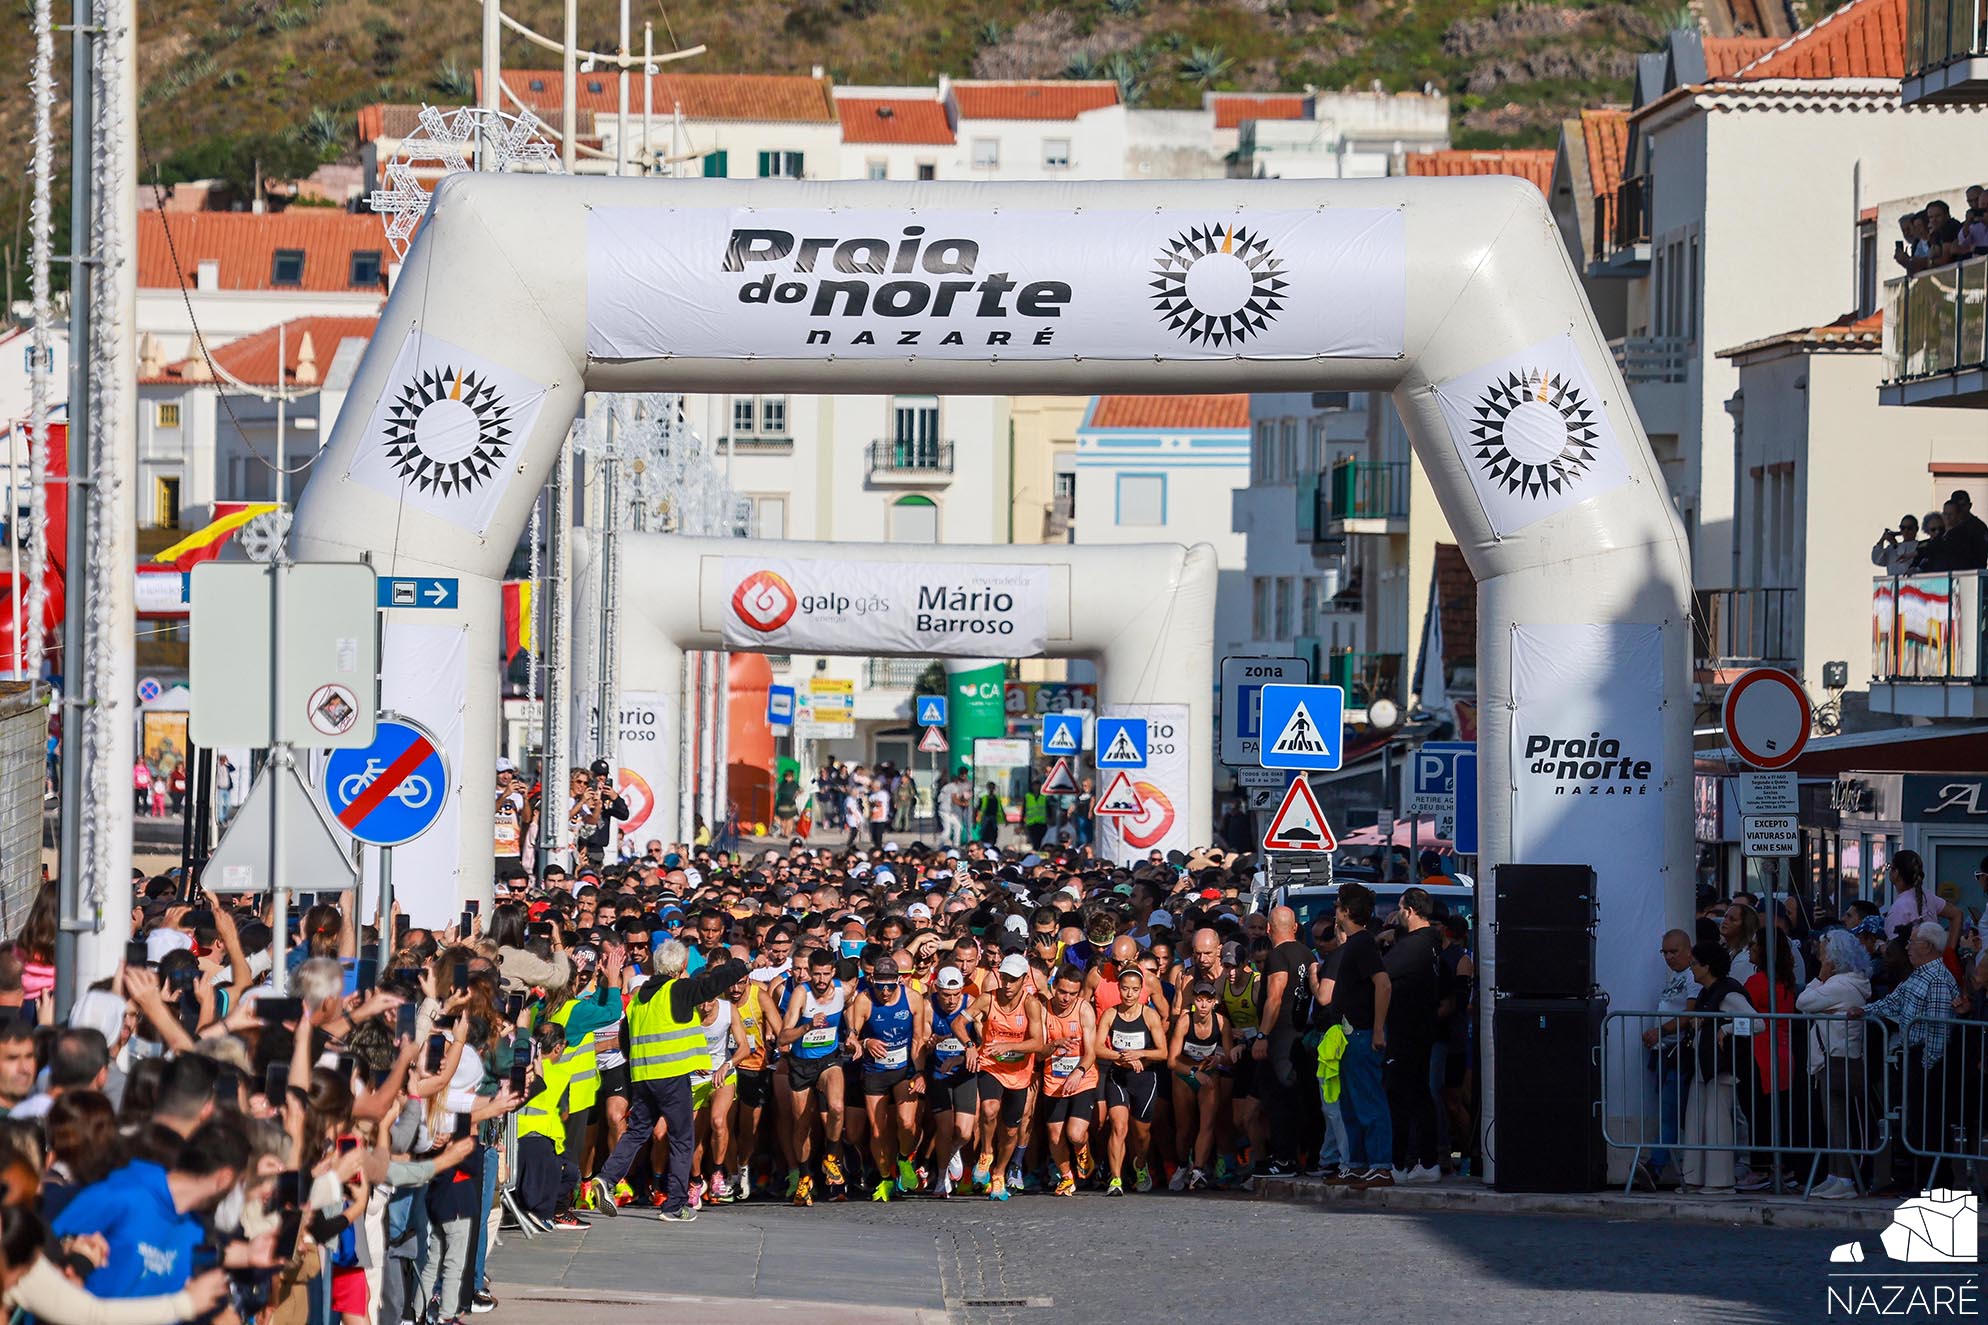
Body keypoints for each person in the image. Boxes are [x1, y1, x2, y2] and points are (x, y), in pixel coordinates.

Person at [584, 938, 747, 1223]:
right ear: (683, 966)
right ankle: (674, 1205)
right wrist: (741, 966)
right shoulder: (678, 989)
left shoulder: (638, 999)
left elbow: (625, 1039)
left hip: (643, 1076)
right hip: (672, 1078)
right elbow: (710, 985)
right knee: (682, 1139)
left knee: (636, 1132)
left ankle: (606, 1179)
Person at [1856, 921, 1963, 1192]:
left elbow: (1938, 1029)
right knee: (1917, 1124)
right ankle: (1921, 1181)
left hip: (1929, 1062)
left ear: (1927, 946)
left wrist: (1926, 1067)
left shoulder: (1937, 978)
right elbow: (1893, 1002)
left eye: (1912, 942)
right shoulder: (1918, 975)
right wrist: (1864, 1010)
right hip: (1914, 1057)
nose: (1907, 947)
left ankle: (1936, 1185)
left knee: (1931, 1124)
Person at [1796, 928, 1871, 1200]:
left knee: (1838, 1122)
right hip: (1836, 1056)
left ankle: (1845, 1179)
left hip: (1837, 1059)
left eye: (1824, 950)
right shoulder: (1849, 983)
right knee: (1833, 1122)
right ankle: (1834, 1175)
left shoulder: (1839, 985)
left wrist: (1819, 978)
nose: (1819, 954)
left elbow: (1802, 1002)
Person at [1327, 882, 1393, 1189]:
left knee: (1369, 1101)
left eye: (1339, 905)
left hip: (1363, 1034)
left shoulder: (1363, 944)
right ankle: (1357, 1164)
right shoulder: (1356, 944)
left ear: (1348, 911)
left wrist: (1378, 1029)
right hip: (1349, 1035)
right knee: (1351, 1103)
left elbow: (1383, 984)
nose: (1335, 910)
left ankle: (1379, 1165)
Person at [844, 955, 926, 1202]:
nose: (886, 992)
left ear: (899, 981)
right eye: (881, 986)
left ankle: (903, 1159)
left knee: (907, 1122)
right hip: (875, 1071)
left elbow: (918, 1039)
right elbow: (852, 1037)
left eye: (891, 986)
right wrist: (864, 1043)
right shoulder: (864, 1000)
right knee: (878, 1131)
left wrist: (920, 1072)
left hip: (903, 1069)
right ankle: (886, 1178)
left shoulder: (912, 999)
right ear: (872, 981)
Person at [1680, 941, 1755, 1196]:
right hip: (1705, 1066)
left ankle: (1719, 1180)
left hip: (1721, 1066)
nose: (1691, 968)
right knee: (1699, 1121)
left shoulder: (1728, 993)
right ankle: (1696, 1177)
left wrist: (1727, 1028)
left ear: (1706, 966)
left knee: (1716, 1122)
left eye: (1694, 964)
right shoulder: (1710, 992)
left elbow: (1757, 1023)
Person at [1382, 888, 1442, 1184]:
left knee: (1399, 1094)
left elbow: (1381, 974)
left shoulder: (1413, 947)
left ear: (1409, 911)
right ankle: (1426, 1161)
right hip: (1421, 1029)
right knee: (1419, 1094)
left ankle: (1399, 1162)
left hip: (1406, 1031)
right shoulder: (1429, 943)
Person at [972, 953, 1042, 1202]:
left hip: (1019, 1073)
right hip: (991, 1065)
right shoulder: (987, 999)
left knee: (1011, 1131)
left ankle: (999, 1173)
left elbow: (1038, 1041)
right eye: (1004, 978)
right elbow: (960, 1021)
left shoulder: (1031, 1004)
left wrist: (1009, 1048)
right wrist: (970, 1044)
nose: (1008, 984)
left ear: (1024, 979)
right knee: (989, 1110)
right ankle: (986, 1153)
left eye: (1013, 979)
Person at [1096, 966, 1166, 1196]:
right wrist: (1122, 1057)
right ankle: (1115, 1179)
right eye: (1125, 989)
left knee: (1141, 1133)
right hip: (1118, 1076)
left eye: (1134, 990)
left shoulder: (1149, 1015)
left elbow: (1163, 1052)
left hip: (1144, 1079)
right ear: (1118, 988)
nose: (1129, 994)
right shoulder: (1110, 1014)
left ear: (1141, 991)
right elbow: (1097, 1048)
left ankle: (1140, 1165)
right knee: (1118, 1126)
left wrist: (1140, 1054)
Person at [1254, 906, 1313, 1178]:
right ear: (1296, 928)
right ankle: (1301, 1155)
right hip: (1301, 1034)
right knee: (1298, 1097)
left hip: (1281, 1036)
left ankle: (1284, 1159)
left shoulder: (1278, 955)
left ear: (1268, 929)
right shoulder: (1306, 953)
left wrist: (1262, 1035)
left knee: (1280, 1099)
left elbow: (1275, 997)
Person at [1635, 929, 1697, 1190]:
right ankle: (1668, 1165)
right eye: (1665, 952)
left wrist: (1662, 1030)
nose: (1669, 957)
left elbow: (1690, 1015)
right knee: (1670, 1112)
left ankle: (1657, 1165)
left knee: (1670, 1111)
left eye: (1674, 951)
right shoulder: (1677, 977)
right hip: (1663, 1051)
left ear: (1688, 949)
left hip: (1678, 1052)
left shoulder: (1693, 977)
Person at [1038, 966, 1098, 1196]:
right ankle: (1066, 1177)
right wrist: (1054, 1044)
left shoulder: (1084, 1010)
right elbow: (1039, 1053)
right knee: (1054, 1134)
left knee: (1074, 1134)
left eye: (1072, 994)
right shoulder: (1044, 1011)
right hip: (1054, 1080)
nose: (1066, 998)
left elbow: (1091, 1052)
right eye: (1062, 992)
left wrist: (1078, 1071)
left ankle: (1083, 1149)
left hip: (1082, 1077)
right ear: (1054, 987)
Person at [1167, 980, 1231, 1190]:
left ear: (1214, 1002)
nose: (1203, 1005)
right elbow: (1172, 1061)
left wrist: (1219, 1060)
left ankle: (1198, 1169)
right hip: (1185, 1074)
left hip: (1208, 1073)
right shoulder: (1185, 1022)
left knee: (1207, 1124)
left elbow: (1229, 1056)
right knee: (1184, 1129)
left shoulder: (1221, 1023)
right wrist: (1194, 1073)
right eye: (1199, 1000)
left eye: (1208, 1001)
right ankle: (1183, 1164)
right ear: (1194, 1001)